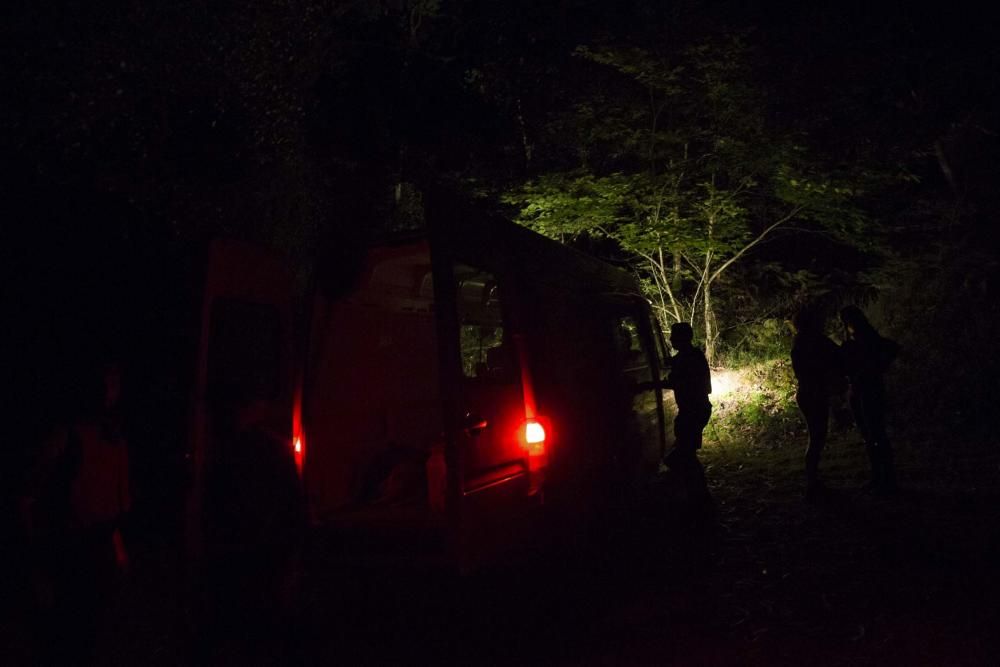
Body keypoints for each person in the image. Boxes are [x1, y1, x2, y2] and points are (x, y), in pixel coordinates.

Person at [19, 358, 131, 664]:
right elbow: (29, 496)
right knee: (67, 635)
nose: (108, 391)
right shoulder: (67, 436)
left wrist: (118, 551)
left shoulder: (115, 439)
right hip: (70, 549)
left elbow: (115, 506)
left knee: (92, 635)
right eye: (103, 383)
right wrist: (36, 553)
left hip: (98, 551)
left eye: (113, 384)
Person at [839, 305, 901, 495]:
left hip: (869, 390)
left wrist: (876, 368)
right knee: (871, 434)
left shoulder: (866, 339)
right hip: (860, 390)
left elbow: (893, 348)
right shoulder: (859, 339)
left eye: (846, 320)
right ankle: (880, 477)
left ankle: (885, 478)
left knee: (875, 433)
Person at [790, 307, 844, 502]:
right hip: (815, 393)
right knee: (817, 438)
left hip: (805, 392)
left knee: (816, 437)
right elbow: (838, 356)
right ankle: (812, 484)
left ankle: (813, 482)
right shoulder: (816, 341)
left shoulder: (799, 342)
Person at [662, 322, 713, 507]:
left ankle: (699, 497)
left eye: (674, 336)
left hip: (693, 411)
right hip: (697, 409)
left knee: (685, 455)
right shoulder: (692, 356)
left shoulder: (687, 359)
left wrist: (648, 385)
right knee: (686, 453)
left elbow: (679, 382)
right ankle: (697, 495)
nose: (670, 339)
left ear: (682, 338)